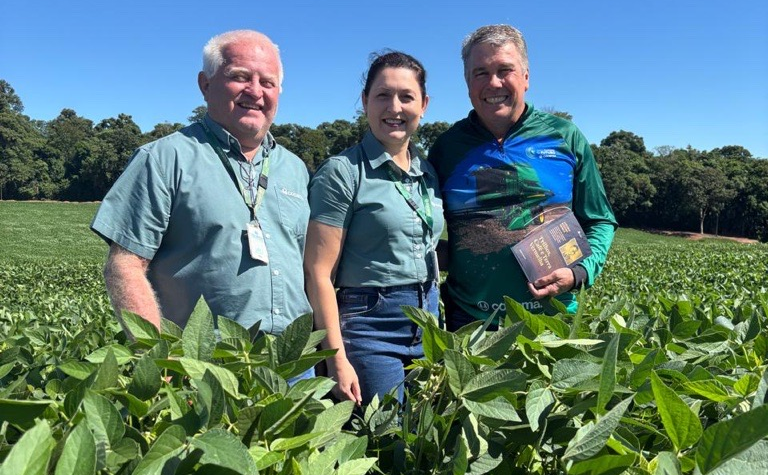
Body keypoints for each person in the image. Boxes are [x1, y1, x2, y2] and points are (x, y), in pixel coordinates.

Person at [91, 30, 311, 343]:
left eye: (268, 82)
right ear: (205, 85)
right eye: (240, 77)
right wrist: (158, 357)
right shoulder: (163, 158)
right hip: (204, 359)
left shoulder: (294, 169)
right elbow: (125, 266)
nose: (256, 91)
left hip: (293, 359)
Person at [428, 25, 618, 331]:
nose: (493, 83)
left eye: (505, 70)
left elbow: (599, 220)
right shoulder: (446, 148)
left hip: (554, 319)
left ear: (526, 77)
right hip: (470, 322)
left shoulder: (564, 137)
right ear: (467, 82)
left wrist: (580, 272)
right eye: (480, 73)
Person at [304, 51, 444, 405]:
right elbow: (318, 272)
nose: (394, 107)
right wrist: (335, 357)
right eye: (382, 95)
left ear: (423, 104)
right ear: (365, 101)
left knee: (423, 446)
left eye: (406, 96)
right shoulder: (343, 172)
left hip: (428, 324)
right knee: (384, 444)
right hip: (369, 327)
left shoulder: (427, 173)